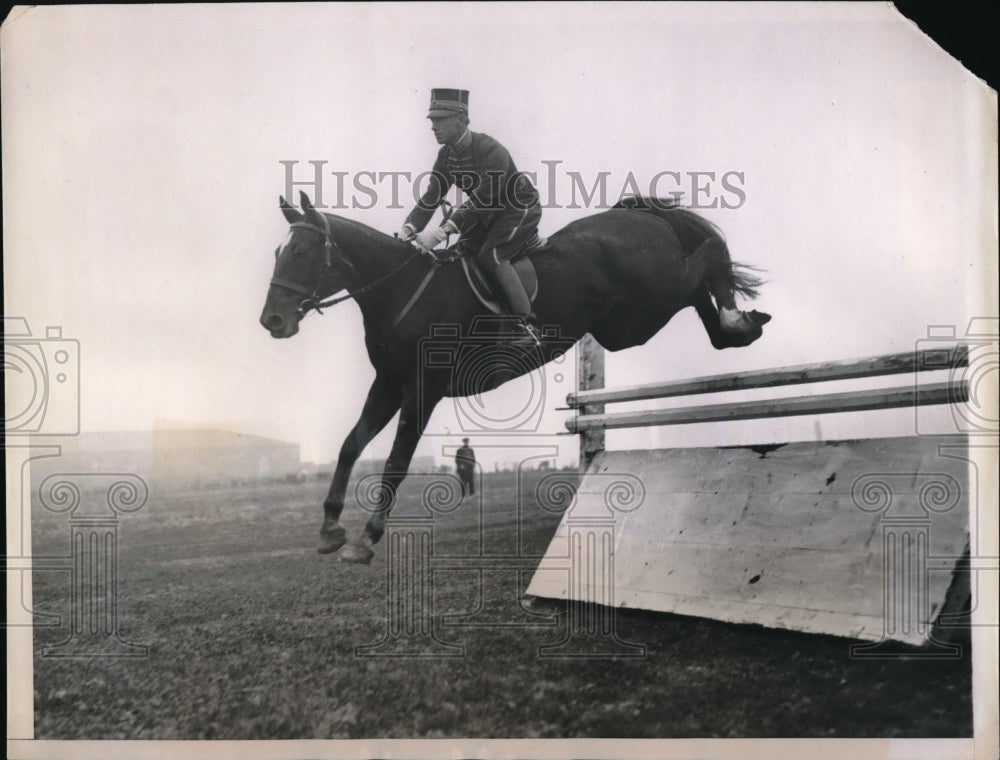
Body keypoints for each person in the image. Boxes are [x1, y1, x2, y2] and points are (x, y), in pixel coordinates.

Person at [400, 88, 544, 347]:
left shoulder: (491, 149)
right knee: (460, 254)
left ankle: (527, 326)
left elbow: (483, 198)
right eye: (432, 120)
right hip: (486, 215)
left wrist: (443, 231)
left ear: (461, 119)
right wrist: (408, 229)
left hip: (518, 207)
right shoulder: (446, 156)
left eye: (440, 119)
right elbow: (432, 196)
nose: (434, 126)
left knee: (492, 255)